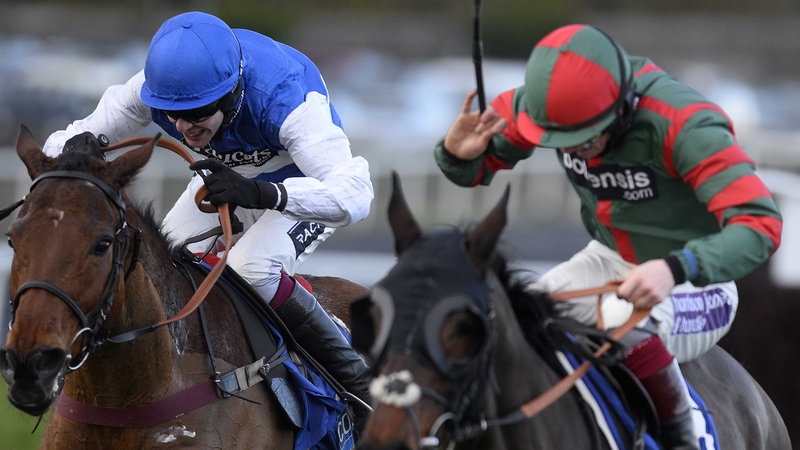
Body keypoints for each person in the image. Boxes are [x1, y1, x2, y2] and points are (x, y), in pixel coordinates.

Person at [435, 24, 781, 449]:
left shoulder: (687, 125)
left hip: (698, 280)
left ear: (623, 107)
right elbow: (474, 170)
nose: (576, 150)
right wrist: (455, 155)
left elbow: (761, 226)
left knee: (626, 328)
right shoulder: (538, 107)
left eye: (584, 138)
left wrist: (675, 268)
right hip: (606, 258)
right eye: (561, 142)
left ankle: (681, 440)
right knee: (516, 321)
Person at [41, 12, 374, 414]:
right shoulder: (151, 89)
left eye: (197, 113)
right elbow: (62, 143)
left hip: (299, 179)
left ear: (232, 93)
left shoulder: (286, 99)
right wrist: (72, 149)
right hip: (227, 176)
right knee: (164, 266)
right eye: (174, 115)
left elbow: (355, 196)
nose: (183, 127)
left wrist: (258, 193)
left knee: (251, 266)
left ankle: (355, 380)